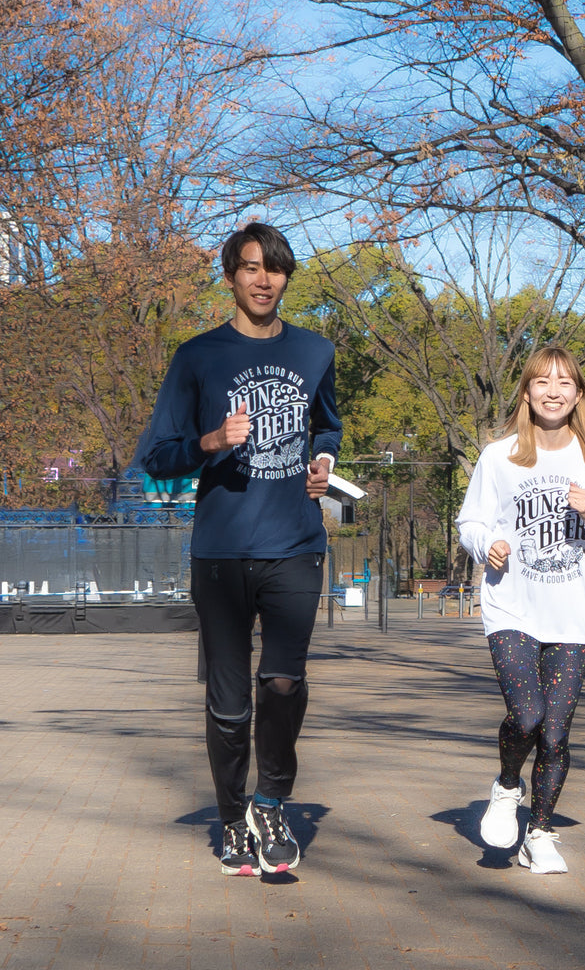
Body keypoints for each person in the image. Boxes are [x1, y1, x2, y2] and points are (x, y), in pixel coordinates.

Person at [141, 222, 341, 877]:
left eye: (275, 269)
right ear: (230, 276)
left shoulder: (316, 351)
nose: (263, 279)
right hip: (222, 553)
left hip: (296, 546)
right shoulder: (197, 357)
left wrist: (322, 459)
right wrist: (210, 442)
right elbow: (158, 457)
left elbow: (328, 426)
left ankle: (270, 801)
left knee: (283, 683)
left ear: (286, 278)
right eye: (250, 268)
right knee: (230, 704)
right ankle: (231, 821)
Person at [457, 346, 585, 874]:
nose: (553, 391)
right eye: (542, 382)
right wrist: (487, 541)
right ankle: (506, 785)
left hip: (570, 616)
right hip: (510, 605)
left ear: (579, 394)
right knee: (529, 716)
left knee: (556, 733)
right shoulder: (501, 456)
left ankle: (539, 832)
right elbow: (470, 522)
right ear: (527, 392)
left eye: (564, 383)